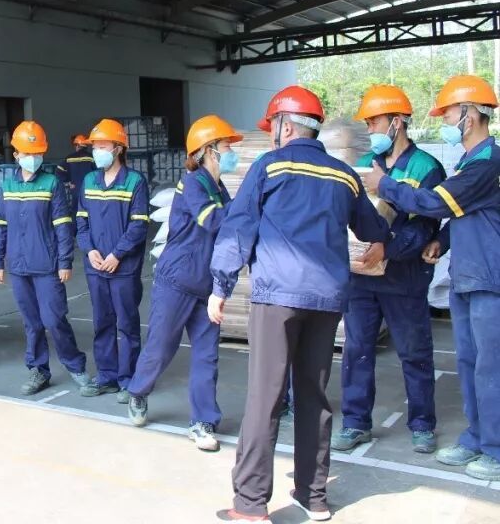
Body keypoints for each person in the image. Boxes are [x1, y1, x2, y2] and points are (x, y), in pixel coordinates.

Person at [209, 85, 390, 522]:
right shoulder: (344, 175)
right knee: (314, 395)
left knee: (265, 398)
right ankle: (314, 496)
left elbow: (238, 228)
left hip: (278, 296)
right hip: (326, 300)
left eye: (273, 125)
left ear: (285, 126)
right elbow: (370, 226)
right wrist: (383, 241)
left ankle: (250, 503)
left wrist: (220, 286)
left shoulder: (269, 166)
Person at [362, 74, 500, 482]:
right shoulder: (469, 161)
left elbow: (437, 203)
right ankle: (477, 438)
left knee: (491, 367)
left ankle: (495, 449)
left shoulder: (488, 161)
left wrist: (385, 185)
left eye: (449, 113)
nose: (445, 120)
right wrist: (442, 240)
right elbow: (463, 214)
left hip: (489, 277)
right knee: (470, 363)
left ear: (470, 114)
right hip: (467, 275)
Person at [333, 85, 444, 456]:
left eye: (375, 121)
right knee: (357, 350)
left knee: (414, 352)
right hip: (362, 277)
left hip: (403, 277)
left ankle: (422, 425)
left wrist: (388, 249)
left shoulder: (426, 167)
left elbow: (425, 224)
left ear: (397, 122)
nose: (370, 129)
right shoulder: (365, 163)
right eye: (367, 122)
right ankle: (355, 422)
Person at [126, 115, 241, 453]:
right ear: (208, 150)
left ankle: (203, 421)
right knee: (161, 347)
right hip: (176, 281)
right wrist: (248, 205)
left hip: (206, 286)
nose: (230, 152)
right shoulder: (192, 183)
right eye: (226, 146)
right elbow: (213, 221)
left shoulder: (219, 187)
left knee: (207, 356)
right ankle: (138, 391)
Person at [0, 120, 92, 396]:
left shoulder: (51, 183)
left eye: (37, 153)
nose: (33, 158)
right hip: (18, 265)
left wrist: (65, 261)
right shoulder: (7, 186)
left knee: (54, 319)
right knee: (31, 322)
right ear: (16, 155)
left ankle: (75, 365)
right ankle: (38, 369)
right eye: (28, 153)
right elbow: (0, 225)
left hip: (47, 265)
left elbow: (63, 225)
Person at [74, 119, 148, 401]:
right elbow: (81, 221)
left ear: (118, 148)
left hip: (123, 267)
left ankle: (129, 379)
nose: (97, 152)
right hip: (95, 267)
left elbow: (139, 224)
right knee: (102, 322)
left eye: (102, 146)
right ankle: (107, 376)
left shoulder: (134, 182)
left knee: (127, 324)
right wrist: (89, 250)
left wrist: (117, 254)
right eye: (94, 147)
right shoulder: (89, 181)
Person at [56, 133, 96, 216]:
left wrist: (68, 183)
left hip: (75, 190)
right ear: (86, 146)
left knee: (76, 213)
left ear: (77, 145)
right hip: (89, 190)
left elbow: (59, 171)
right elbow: (99, 173)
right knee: (90, 212)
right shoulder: (92, 158)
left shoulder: (69, 158)